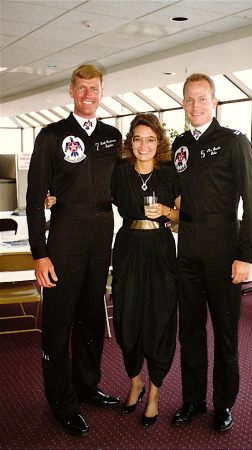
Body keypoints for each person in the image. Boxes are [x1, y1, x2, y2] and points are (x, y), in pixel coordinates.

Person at [26, 64, 122, 437]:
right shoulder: (51, 136)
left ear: (101, 92)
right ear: (71, 91)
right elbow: (36, 199)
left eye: (94, 89)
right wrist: (39, 252)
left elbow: (128, 182)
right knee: (58, 323)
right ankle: (62, 402)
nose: (88, 94)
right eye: (81, 88)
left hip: (101, 237)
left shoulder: (113, 136)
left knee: (91, 319)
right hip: (63, 239)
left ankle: (87, 386)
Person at [171, 73, 252, 432]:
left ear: (214, 102)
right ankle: (193, 400)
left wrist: (246, 256)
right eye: (189, 100)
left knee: (225, 333)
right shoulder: (179, 145)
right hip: (188, 251)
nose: (195, 106)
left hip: (225, 252)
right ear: (183, 104)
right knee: (190, 332)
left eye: (202, 99)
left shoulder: (233, 141)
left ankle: (223, 405)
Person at [111, 113, 180, 426]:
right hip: (128, 246)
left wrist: (165, 212)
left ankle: (154, 391)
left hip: (161, 249)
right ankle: (135, 382)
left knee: (160, 317)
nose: (144, 145)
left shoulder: (168, 173)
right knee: (127, 316)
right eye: (138, 138)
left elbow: (179, 217)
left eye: (150, 139)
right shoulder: (119, 172)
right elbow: (92, 197)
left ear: (159, 142)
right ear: (130, 141)